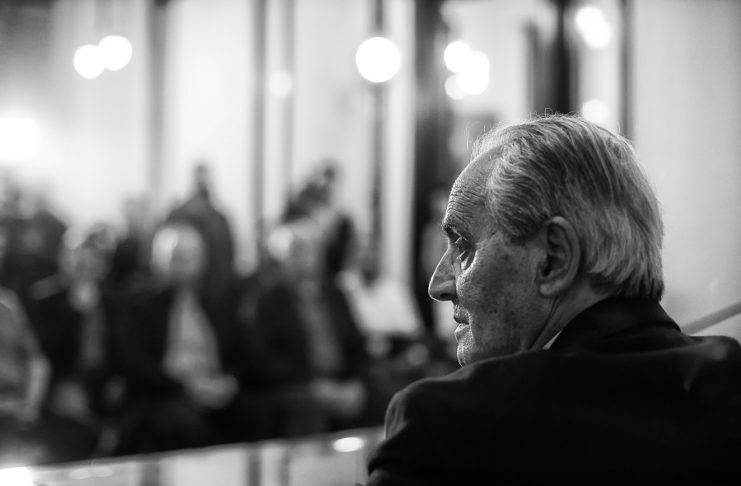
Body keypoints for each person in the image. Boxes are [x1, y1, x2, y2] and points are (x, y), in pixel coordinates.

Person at [366, 114, 741, 484]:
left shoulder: (448, 430)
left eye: (463, 245)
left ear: (554, 259)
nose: (438, 285)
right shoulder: (730, 387)